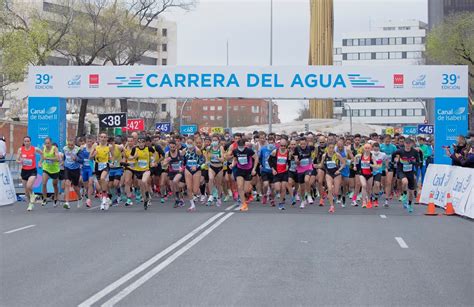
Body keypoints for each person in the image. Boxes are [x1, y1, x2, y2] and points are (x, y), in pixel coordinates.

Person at [392, 138, 421, 213]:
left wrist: (413, 162)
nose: (408, 145)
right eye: (406, 144)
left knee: (411, 192)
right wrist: (394, 161)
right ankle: (404, 194)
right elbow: (393, 154)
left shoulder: (414, 152)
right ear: (404, 144)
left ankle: (410, 204)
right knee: (404, 182)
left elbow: (418, 163)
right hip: (401, 170)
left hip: (410, 172)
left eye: (409, 144)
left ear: (412, 144)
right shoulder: (400, 151)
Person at [129, 135, 155, 210]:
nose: (141, 144)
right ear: (137, 143)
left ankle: (147, 194)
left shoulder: (148, 148)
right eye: (139, 142)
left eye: (142, 142)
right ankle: (145, 200)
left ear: (145, 143)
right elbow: (130, 157)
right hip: (138, 170)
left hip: (146, 169)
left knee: (144, 181)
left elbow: (154, 154)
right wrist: (134, 157)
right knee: (141, 187)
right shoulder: (135, 149)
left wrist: (152, 161)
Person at [232, 138, 258, 211]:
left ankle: (250, 194)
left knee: (246, 190)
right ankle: (244, 204)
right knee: (240, 187)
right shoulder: (235, 151)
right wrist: (232, 164)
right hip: (239, 170)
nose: (240, 148)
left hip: (248, 170)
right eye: (239, 146)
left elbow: (256, 158)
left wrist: (254, 169)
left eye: (242, 146)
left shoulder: (249, 150)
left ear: (244, 145)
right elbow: (235, 159)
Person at [16, 136, 42, 211]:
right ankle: (30, 203)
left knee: (29, 186)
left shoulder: (35, 149)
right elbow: (17, 160)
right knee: (26, 191)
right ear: (23, 142)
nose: (27, 143)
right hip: (24, 171)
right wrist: (20, 161)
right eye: (25, 141)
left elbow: (42, 154)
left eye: (28, 141)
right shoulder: (20, 149)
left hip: (32, 171)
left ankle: (33, 195)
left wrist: (40, 162)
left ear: (30, 142)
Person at [319, 142, 346, 213]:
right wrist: (316, 166)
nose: (331, 149)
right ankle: (332, 206)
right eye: (330, 148)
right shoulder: (324, 155)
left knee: (336, 192)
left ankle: (332, 193)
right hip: (329, 174)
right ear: (327, 148)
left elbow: (343, 163)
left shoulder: (337, 155)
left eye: (332, 148)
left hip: (336, 174)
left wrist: (339, 170)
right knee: (330, 189)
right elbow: (321, 165)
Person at [90, 132, 111, 210]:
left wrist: (111, 162)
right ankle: (106, 197)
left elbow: (112, 157)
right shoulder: (95, 146)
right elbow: (90, 157)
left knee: (103, 178)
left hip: (106, 165)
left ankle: (104, 200)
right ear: (99, 138)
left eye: (104, 137)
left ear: (107, 138)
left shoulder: (109, 146)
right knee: (100, 186)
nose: (103, 139)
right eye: (101, 137)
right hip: (97, 166)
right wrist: (94, 154)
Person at [182, 137, 203, 211]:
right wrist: (181, 167)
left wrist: (196, 166)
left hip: (196, 170)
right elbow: (182, 161)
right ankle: (192, 205)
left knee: (195, 190)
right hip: (188, 169)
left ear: (194, 143)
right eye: (188, 143)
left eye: (191, 143)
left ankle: (201, 194)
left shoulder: (197, 150)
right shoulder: (184, 150)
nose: (189, 144)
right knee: (188, 188)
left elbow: (202, 160)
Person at [269, 138, 290, 210]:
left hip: (284, 172)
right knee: (277, 188)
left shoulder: (288, 152)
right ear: (279, 145)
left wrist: (288, 165)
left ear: (286, 145)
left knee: (283, 188)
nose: (283, 147)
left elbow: (289, 161)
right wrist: (273, 169)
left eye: (284, 146)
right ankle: (272, 197)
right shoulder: (275, 151)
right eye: (281, 145)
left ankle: (281, 203)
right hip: (277, 172)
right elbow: (269, 161)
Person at [39, 137, 60, 206]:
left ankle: (56, 198)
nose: (47, 145)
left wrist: (49, 158)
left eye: (48, 143)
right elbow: (42, 157)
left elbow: (57, 159)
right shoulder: (44, 148)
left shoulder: (54, 148)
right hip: (46, 168)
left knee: (55, 184)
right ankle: (44, 198)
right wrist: (40, 162)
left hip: (55, 169)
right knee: (44, 183)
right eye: (45, 143)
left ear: (51, 143)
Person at [62, 137, 82, 209]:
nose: (70, 147)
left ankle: (79, 198)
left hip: (75, 169)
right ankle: (67, 202)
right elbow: (64, 157)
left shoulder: (78, 150)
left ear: (74, 144)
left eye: (72, 145)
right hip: (67, 168)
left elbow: (81, 160)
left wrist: (76, 159)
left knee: (75, 186)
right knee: (67, 183)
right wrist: (63, 162)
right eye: (69, 145)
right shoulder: (65, 148)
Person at [77, 135, 96, 208]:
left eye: (90, 141)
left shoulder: (94, 149)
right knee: (86, 184)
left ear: (92, 142)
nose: (89, 143)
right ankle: (88, 193)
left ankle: (89, 200)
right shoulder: (82, 148)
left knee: (90, 183)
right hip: (84, 168)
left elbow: (92, 157)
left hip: (91, 168)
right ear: (86, 141)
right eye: (88, 141)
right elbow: (77, 153)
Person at [206, 135, 225, 206]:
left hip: (219, 167)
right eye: (213, 140)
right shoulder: (209, 148)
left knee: (218, 184)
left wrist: (217, 158)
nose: (214, 142)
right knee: (210, 179)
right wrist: (207, 161)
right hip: (211, 166)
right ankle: (211, 195)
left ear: (218, 141)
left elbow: (223, 159)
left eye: (215, 140)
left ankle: (219, 198)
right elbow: (206, 155)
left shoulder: (221, 148)